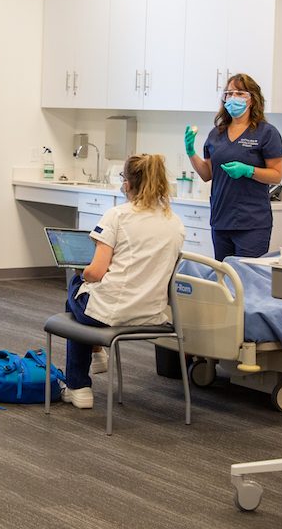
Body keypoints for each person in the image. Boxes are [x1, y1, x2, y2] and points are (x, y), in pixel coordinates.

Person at [58, 153, 185, 410]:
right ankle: (92, 355)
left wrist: (81, 274)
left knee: (75, 288)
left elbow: (95, 272)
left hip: (110, 313)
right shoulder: (175, 222)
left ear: (127, 183)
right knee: (80, 299)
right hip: (153, 314)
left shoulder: (117, 215)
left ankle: (79, 384)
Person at [184, 73, 282, 261]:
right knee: (224, 281)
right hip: (221, 220)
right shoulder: (217, 133)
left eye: (239, 93)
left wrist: (249, 170)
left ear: (252, 99)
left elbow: (277, 175)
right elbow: (207, 174)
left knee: (245, 280)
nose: (232, 98)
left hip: (252, 223)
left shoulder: (266, 133)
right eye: (229, 93)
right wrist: (191, 152)